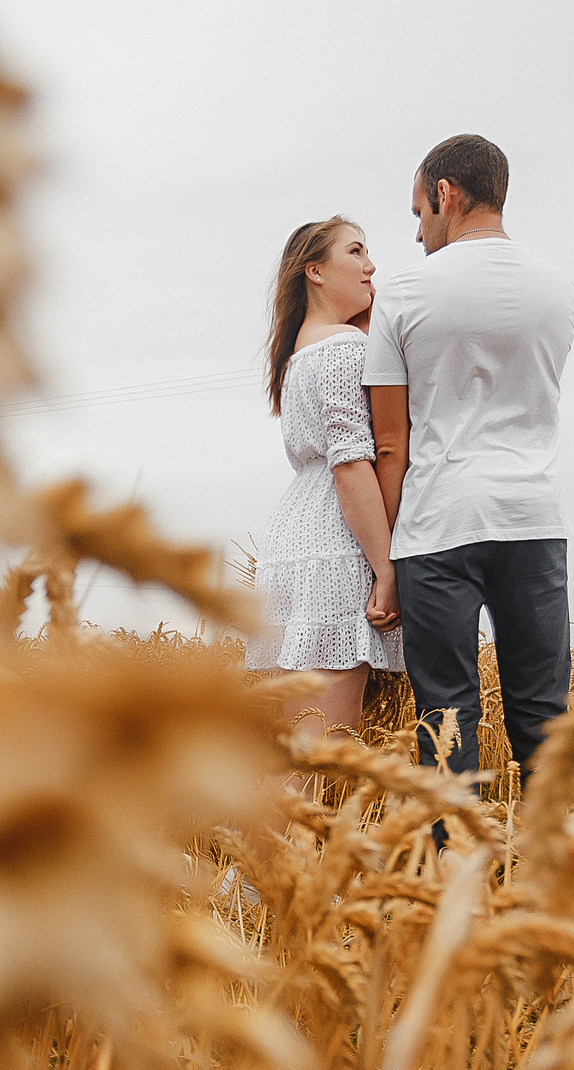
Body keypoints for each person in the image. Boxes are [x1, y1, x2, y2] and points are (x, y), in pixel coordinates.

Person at [362, 135, 574, 786]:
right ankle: (545, 878)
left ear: (446, 195)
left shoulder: (402, 295)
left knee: (446, 723)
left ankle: (455, 882)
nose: (420, 233)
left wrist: (390, 564)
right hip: (534, 522)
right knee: (543, 721)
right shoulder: (558, 291)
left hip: (437, 527)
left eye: (420, 214)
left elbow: (392, 444)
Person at [243, 218, 405, 740]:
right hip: (338, 545)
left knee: (305, 744)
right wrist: (386, 569)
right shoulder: (343, 350)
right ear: (314, 270)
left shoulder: (300, 353)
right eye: (355, 251)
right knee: (324, 750)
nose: (370, 265)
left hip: (299, 539)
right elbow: (353, 465)